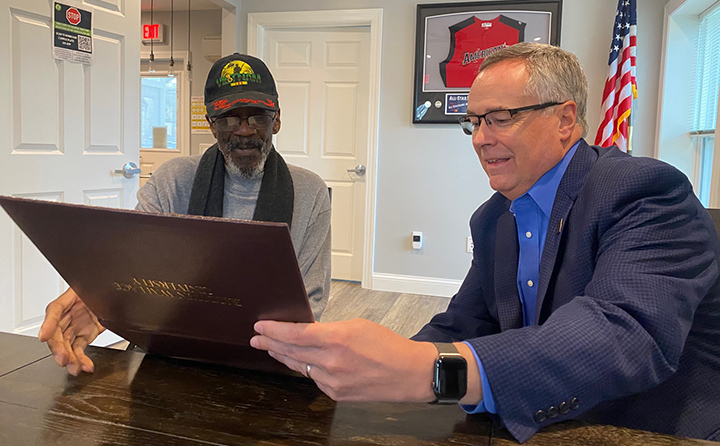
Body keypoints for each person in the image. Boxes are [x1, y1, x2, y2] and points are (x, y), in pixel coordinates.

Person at [250, 43, 720, 443]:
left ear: (565, 119)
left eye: (499, 118)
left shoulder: (645, 190)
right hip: (537, 423)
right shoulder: (494, 218)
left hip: (648, 430)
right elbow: (464, 324)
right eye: (473, 122)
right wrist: (364, 366)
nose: (479, 139)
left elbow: (624, 334)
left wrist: (427, 371)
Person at [39, 53, 332, 376]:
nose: (245, 130)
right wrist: (98, 299)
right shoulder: (172, 181)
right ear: (211, 125)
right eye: (230, 119)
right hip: (169, 356)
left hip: (270, 362)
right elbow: (130, 263)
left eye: (258, 117)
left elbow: (309, 304)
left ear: (276, 120)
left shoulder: (309, 192)